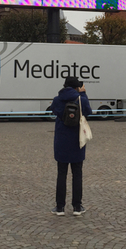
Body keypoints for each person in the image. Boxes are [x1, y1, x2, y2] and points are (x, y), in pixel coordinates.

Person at [50, 76, 92, 216]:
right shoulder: (81, 99)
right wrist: (83, 93)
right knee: (77, 174)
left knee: (61, 174)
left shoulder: (57, 100)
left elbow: (54, 111)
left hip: (61, 142)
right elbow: (88, 112)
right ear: (76, 88)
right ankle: (77, 207)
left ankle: (60, 207)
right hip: (77, 141)